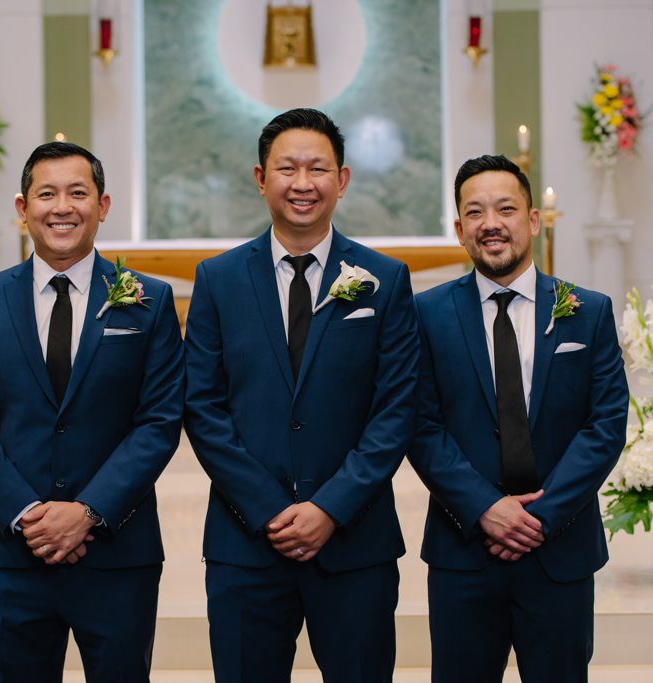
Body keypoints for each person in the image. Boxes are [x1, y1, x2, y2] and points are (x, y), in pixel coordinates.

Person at [183, 109, 419, 683]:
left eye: (318, 168)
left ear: (343, 179)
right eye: (287, 168)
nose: (303, 183)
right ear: (260, 178)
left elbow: (395, 409)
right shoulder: (217, 280)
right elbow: (203, 407)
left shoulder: (385, 280)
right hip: (245, 543)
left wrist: (329, 508)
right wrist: (267, 508)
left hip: (355, 543)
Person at [0, 142, 184, 682]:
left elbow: (160, 421)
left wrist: (88, 510)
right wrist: (28, 512)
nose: (62, 207)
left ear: (104, 205)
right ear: (22, 207)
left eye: (78, 192)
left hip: (117, 552)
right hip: (13, 552)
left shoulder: (149, 300)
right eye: (46, 194)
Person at [408, 155, 629, 682]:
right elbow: (419, 424)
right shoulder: (426, 313)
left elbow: (604, 425)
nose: (491, 223)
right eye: (475, 212)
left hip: (559, 547)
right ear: (459, 229)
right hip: (464, 547)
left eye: (505, 209)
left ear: (532, 220)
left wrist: (540, 518)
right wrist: (484, 507)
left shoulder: (588, 310)